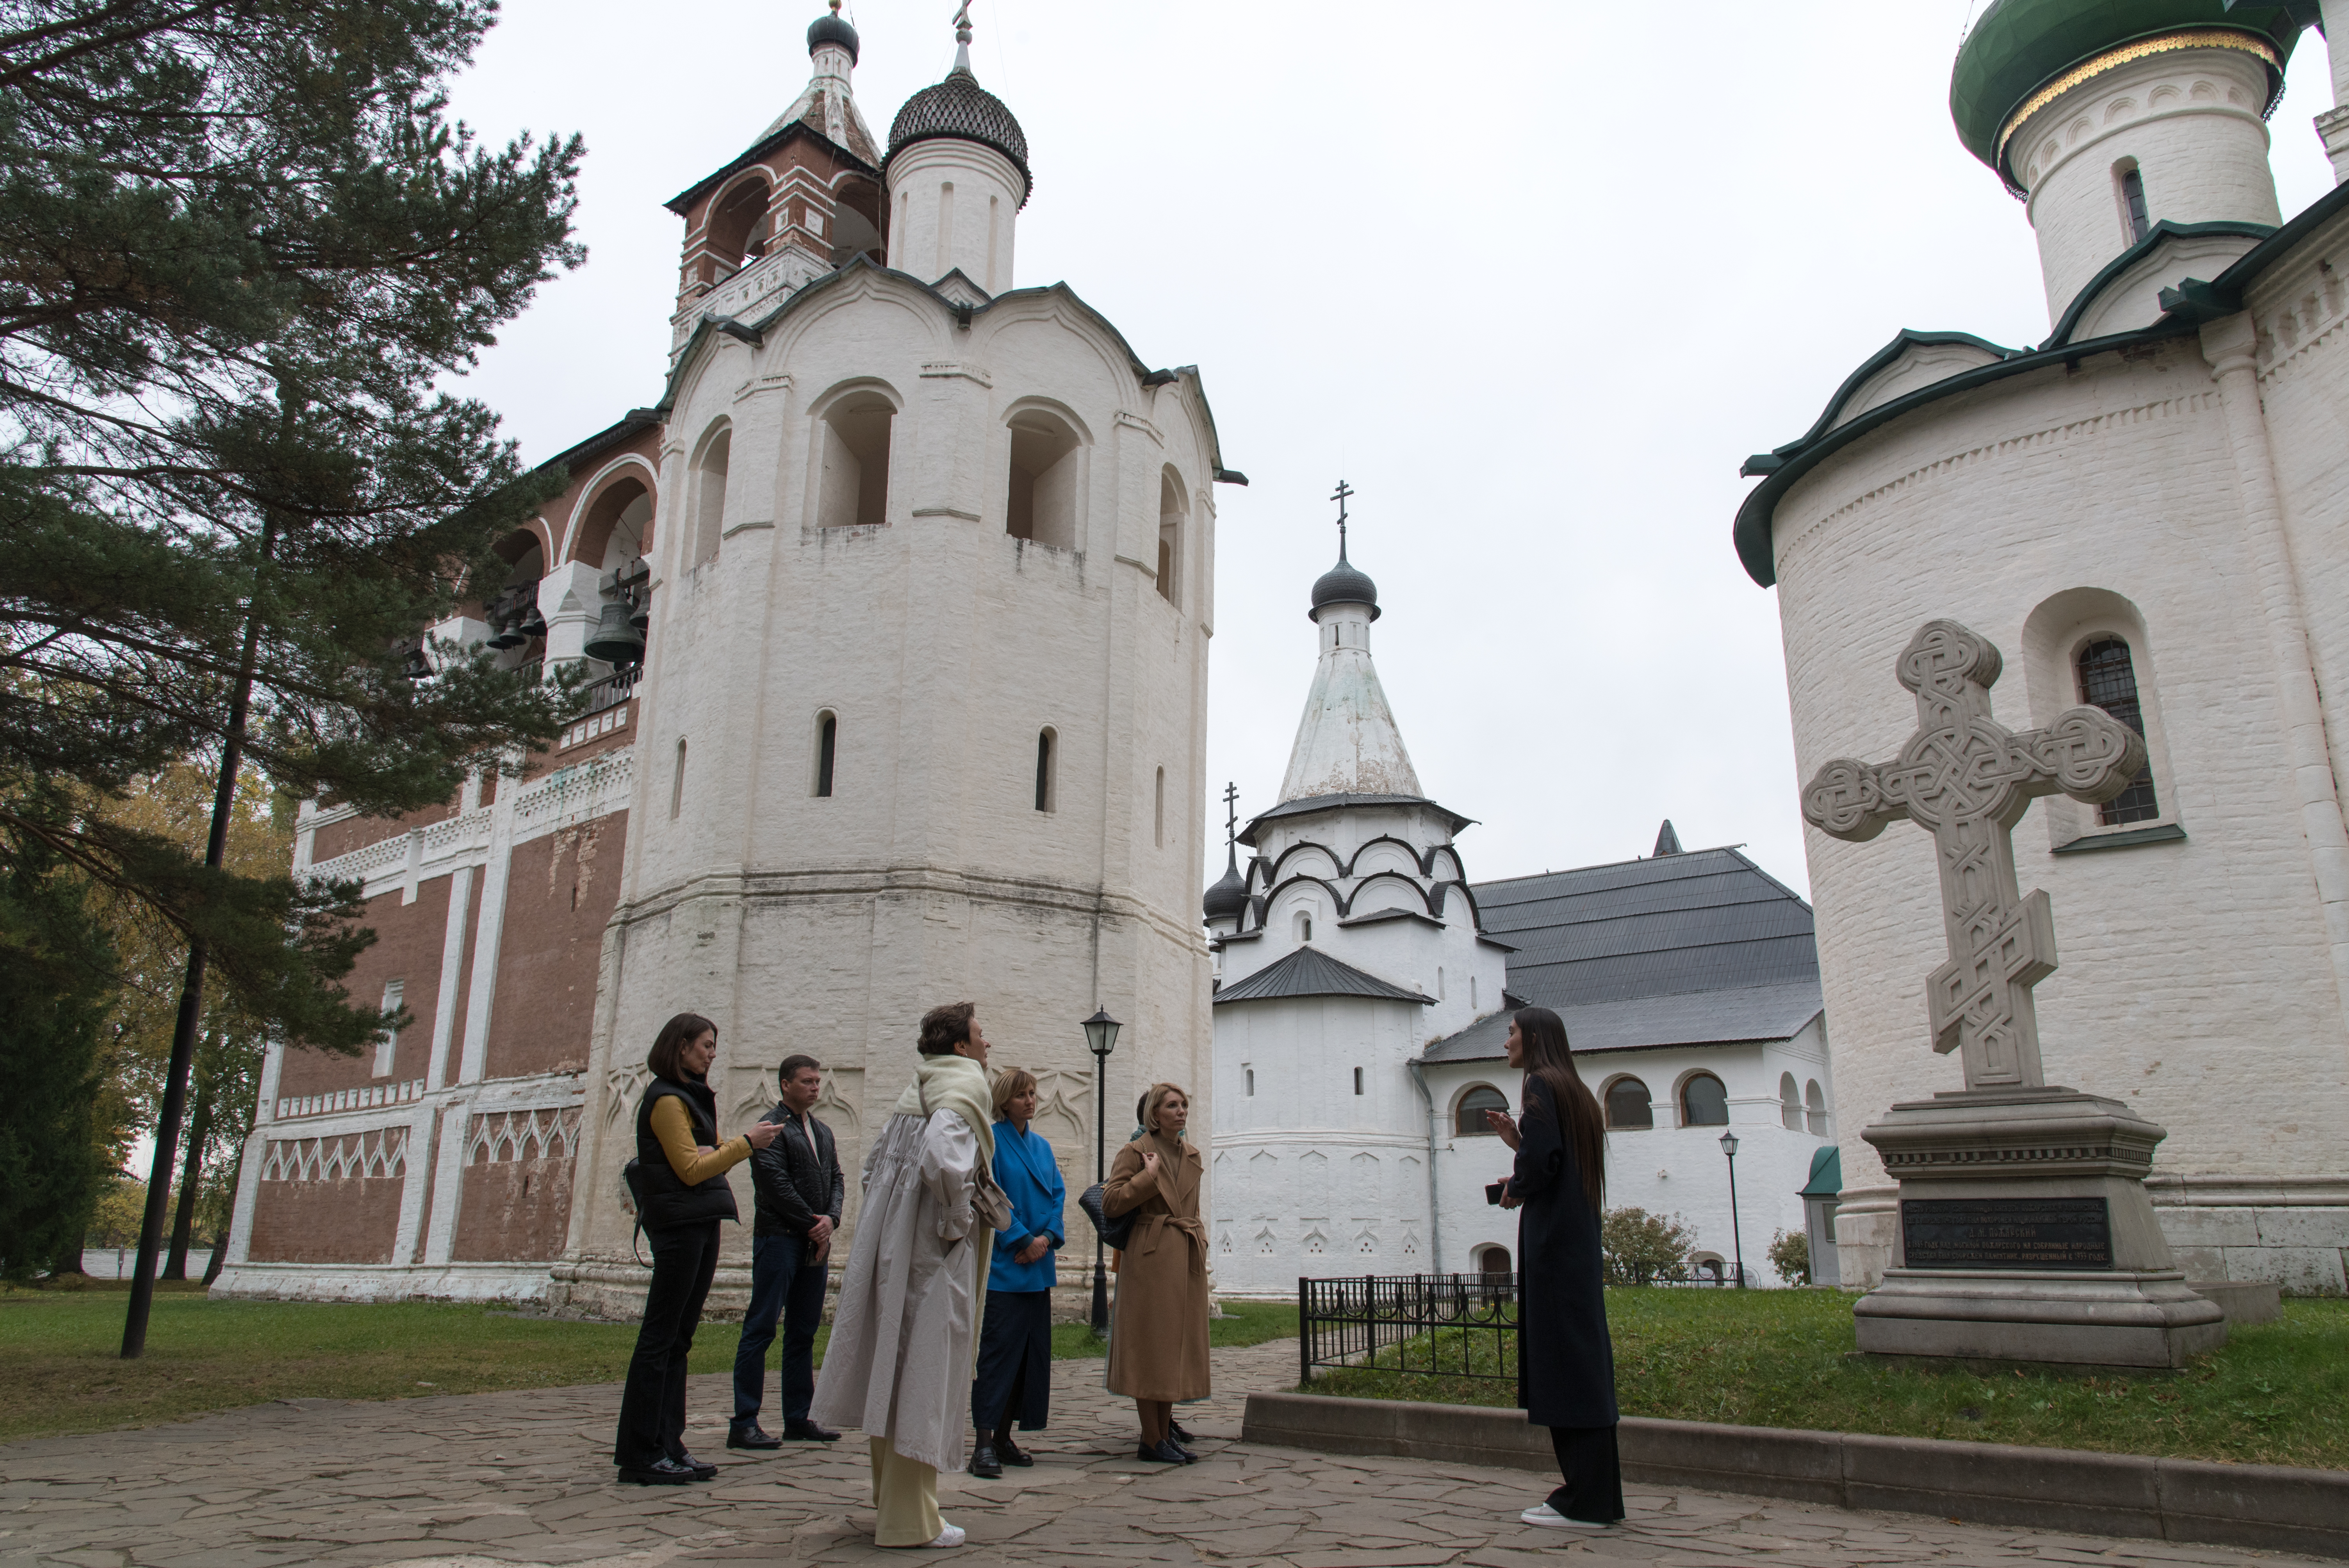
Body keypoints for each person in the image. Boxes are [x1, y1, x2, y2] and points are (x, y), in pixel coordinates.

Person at [810, 1002, 1012, 1549]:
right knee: (924, 1373)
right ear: (961, 1047)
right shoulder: (963, 1088)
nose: (987, 1045)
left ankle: (896, 1506)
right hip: (932, 1254)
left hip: (894, 1247)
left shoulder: (916, 1089)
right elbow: (945, 1161)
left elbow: (875, 1164)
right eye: (980, 1036)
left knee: (894, 1373)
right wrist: (955, 1219)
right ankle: (911, 1521)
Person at [613, 1012, 782, 1486]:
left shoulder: (689, 1097)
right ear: (682, 1045)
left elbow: (704, 1154)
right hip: (679, 1226)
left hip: (699, 1222)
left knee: (680, 1339)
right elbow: (690, 1167)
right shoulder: (666, 1098)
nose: (712, 1053)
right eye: (706, 1045)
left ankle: (670, 1442)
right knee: (660, 1337)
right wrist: (748, 1142)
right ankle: (640, 1451)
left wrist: (729, 1146)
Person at [1486, 1005, 1623, 1530]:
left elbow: (1544, 1166)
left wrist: (1514, 1188)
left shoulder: (1539, 1085)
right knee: (1583, 1363)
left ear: (1535, 1036)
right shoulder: (1575, 1090)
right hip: (1578, 1242)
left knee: (1564, 1364)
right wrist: (1520, 1143)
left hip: (1554, 1247)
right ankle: (1599, 1495)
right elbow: (1557, 1159)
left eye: (1513, 1032)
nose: (1507, 1042)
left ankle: (1582, 1501)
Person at [731, 1052, 845, 1449]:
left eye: (817, 1080)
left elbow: (836, 1178)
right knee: (761, 1327)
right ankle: (744, 1420)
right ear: (785, 1084)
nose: (815, 1086)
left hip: (816, 1243)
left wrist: (831, 1219)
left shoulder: (823, 1131)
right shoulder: (770, 1128)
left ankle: (799, 1416)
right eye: (806, 1081)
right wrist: (813, 1224)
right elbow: (774, 1184)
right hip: (779, 1238)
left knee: (803, 1331)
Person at [1102, 1081, 1210, 1464]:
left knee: (1173, 1349)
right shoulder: (1136, 1152)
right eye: (1172, 1105)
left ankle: (1164, 1435)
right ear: (1155, 1113)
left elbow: (1191, 1209)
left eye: (1184, 1104)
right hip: (1150, 1259)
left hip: (1184, 1256)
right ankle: (1150, 1438)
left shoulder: (1191, 1153)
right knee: (1150, 1347)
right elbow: (1111, 1202)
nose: (1181, 1111)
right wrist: (1146, 1178)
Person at [967, 1067, 1065, 1478]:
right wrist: (1022, 1238)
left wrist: (1046, 1238)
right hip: (1007, 1268)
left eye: (1033, 1093)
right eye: (1022, 1094)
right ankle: (983, 1443)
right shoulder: (990, 1141)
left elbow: (1058, 1194)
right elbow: (986, 1191)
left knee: (1028, 1358)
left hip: (1037, 1267)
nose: (1030, 1100)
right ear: (1004, 1100)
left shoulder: (1042, 1146)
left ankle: (1006, 1436)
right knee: (997, 1356)